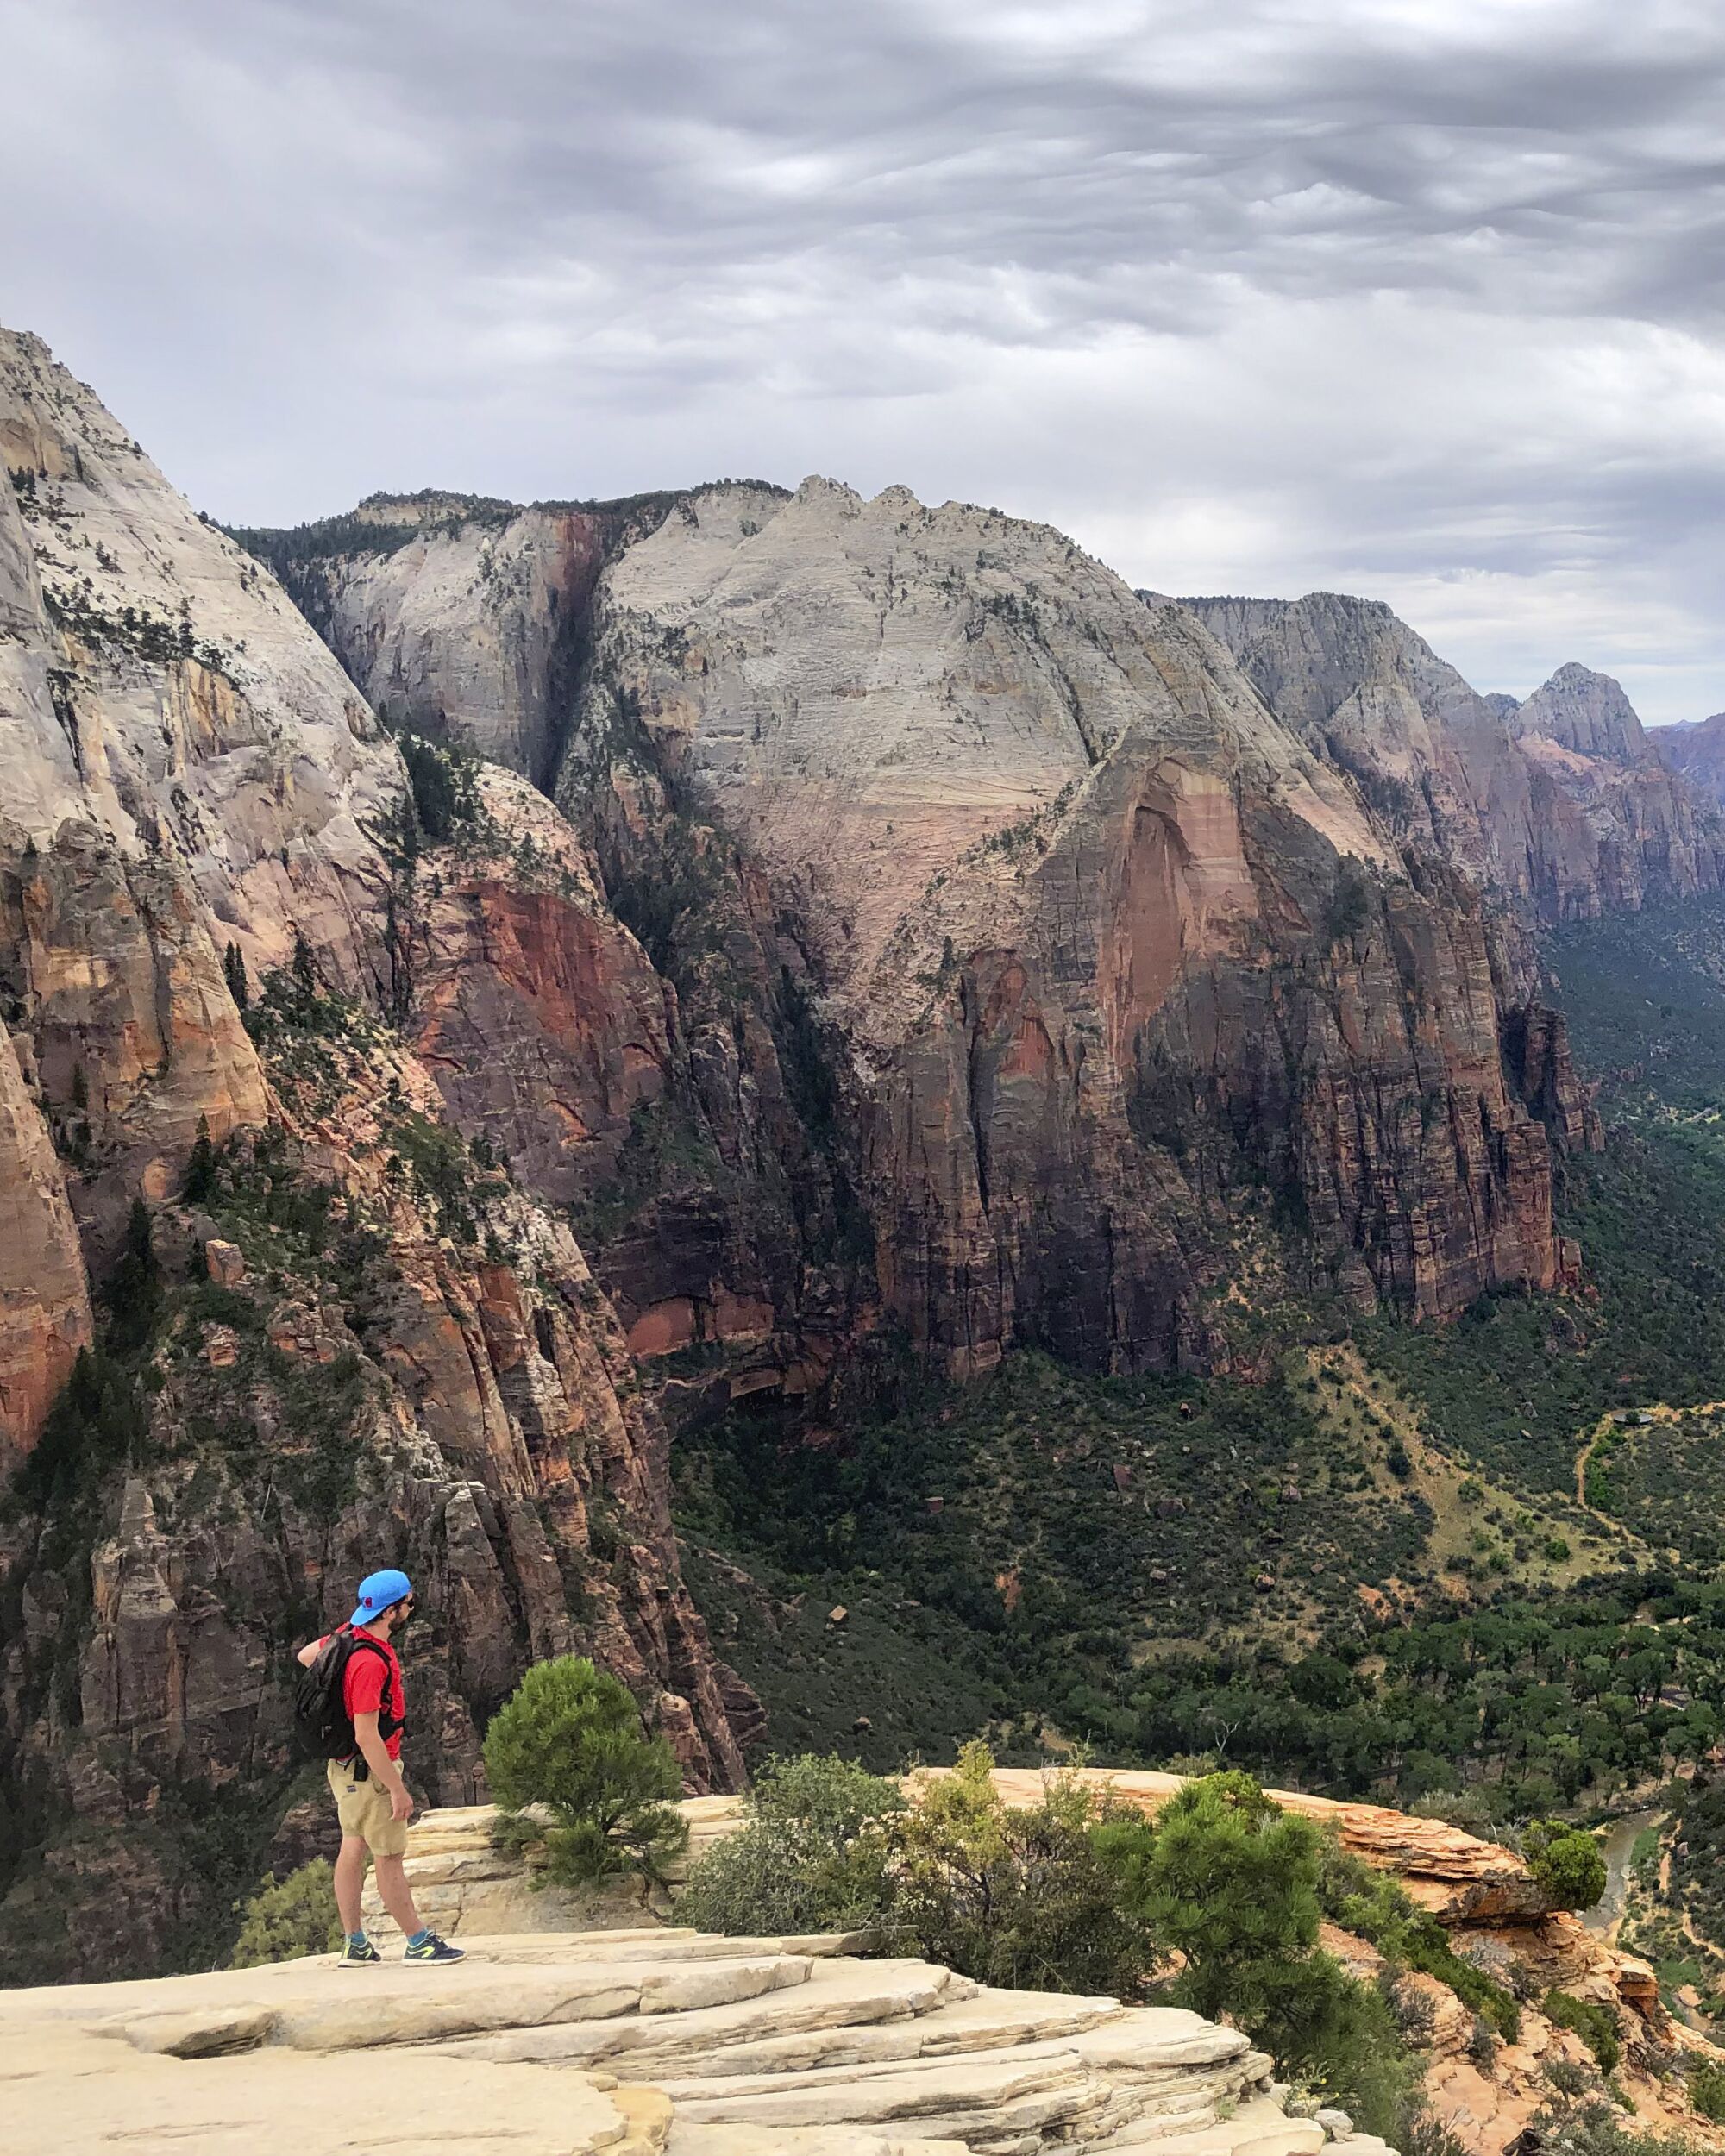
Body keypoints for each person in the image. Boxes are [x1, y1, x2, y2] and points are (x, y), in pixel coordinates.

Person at [297, 1567, 465, 1965]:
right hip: (370, 1771)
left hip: (342, 1770)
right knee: (388, 1856)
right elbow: (367, 1735)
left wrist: (334, 1692)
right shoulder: (369, 1663)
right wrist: (396, 1788)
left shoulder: (345, 1637)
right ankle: (418, 1942)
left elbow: (306, 1657)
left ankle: (355, 1943)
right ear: (390, 1612)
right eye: (408, 1603)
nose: (411, 1609)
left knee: (352, 1845)